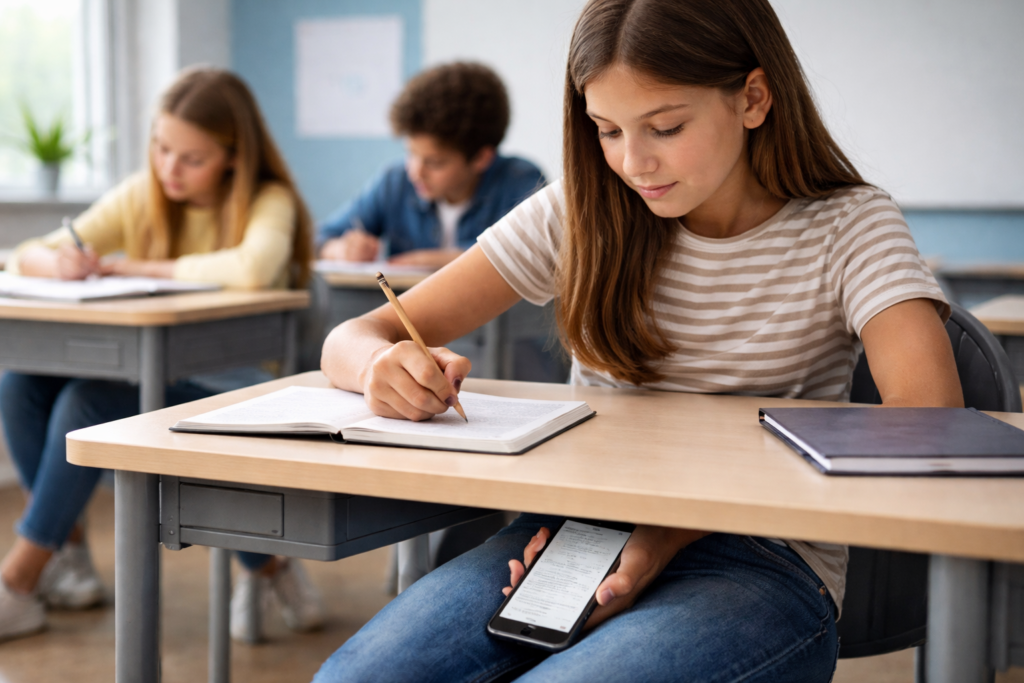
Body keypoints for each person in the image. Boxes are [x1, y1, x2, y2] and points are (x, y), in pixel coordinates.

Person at [313, 0, 964, 680]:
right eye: (607, 130)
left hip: (763, 556)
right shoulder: (581, 209)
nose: (633, 162)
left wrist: (670, 530)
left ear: (753, 98)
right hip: (576, 535)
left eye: (666, 127)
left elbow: (929, 415)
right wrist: (379, 364)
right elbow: (354, 336)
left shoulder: (850, 224)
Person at [0, 68, 324, 644]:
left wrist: (134, 266)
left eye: (191, 158)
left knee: (87, 402)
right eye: (161, 147)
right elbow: (27, 252)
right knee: (19, 383)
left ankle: (17, 582)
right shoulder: (142, 193)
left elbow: (252, 268)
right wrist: (57, 262)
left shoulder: (268, 199)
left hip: (238, 385)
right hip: (154, 368)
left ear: (233, 156)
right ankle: (66, 556)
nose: (169, 168)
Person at [317, 62, 545, 269]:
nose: (415, 172)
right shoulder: (395, 182)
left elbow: (543, 255)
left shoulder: (522, 183)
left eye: (435, 163)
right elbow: (317, 239)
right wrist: (340, 250)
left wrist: (431, 261)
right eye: (411, 154)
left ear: (481, 158)